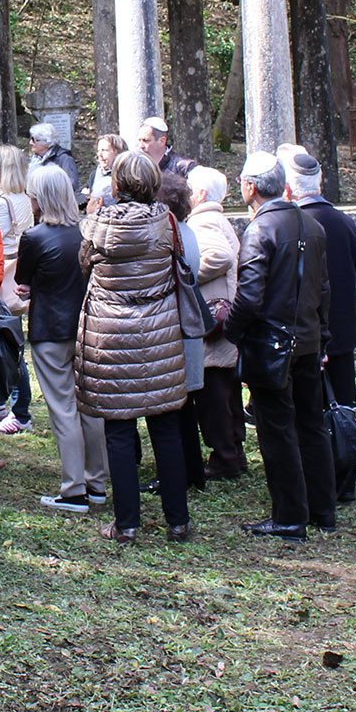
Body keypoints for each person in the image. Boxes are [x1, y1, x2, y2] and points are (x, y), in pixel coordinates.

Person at [78, 150, 191, 545]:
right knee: (166, 429)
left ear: (116, 184)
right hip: (159, 333)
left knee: (119, 433)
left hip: (111, 338)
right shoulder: (167, 222)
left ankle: (126, 523)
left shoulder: (96, 225)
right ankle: (178, 520)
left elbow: (84, 265)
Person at [227, 150, 333, 541]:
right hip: (305, 339)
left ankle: (290, 517)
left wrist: (231, 331)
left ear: (251, 187)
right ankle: (322, 509)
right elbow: (325, 290)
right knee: (311, 424)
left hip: (271, 345)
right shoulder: (311, 223)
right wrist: (322, 336)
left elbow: (250, 297)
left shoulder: (260, 230)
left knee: (277, 430)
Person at [14, 162, 105, 512]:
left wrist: (32, 289)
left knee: (63, 408)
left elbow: (24, 281)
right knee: (91, 407)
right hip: (87, 328)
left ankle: (73, 489)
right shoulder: (87, 233)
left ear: (39, 198)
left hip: (50, 330)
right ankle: (97, 481)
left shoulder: (35, 237)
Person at [283, 144, 356, 503]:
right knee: (344, 405)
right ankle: (346, 475)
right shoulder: (343, 220)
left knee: (312, 410)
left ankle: (320, 478)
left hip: (307, 333)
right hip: (342, 331)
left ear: (288, 189)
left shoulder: (295, 225)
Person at [185, 165, 245, 482]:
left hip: (214, 318)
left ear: (202, 194)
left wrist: (188, 276)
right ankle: (233, 450)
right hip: (225, 317)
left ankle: (225, 457)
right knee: (226, 391)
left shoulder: (203, 221)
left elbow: (219, 257)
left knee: (213, 395)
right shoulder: (217, 218)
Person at [157, 171, 208, 492]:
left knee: (172, 412)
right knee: (185, 408)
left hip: (174, 330)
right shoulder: (188, 232)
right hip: (187, 331)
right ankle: (193, 472)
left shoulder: (173, 236)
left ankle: (175, 476)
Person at [0, 144, 36, 435]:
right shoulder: (23, 198)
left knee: (7, 344)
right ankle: (3, 402)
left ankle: (18, 409)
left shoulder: (1, 204)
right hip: (15, 281)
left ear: (3, 170)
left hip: (3, 283)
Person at [27, 123, 80, 196]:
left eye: (34, 140)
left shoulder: (64, 159)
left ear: (46, 142)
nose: (30, 143)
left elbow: (71, 187)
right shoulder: (34, 160)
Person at [84, 133, 126, 210]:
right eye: (98, 150)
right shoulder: (95, 174)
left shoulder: (125, 177)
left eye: (104, 150)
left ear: (118, 152)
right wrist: (91, 197)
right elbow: (78, 195)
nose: (99, 154)